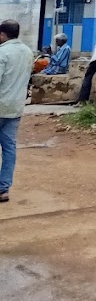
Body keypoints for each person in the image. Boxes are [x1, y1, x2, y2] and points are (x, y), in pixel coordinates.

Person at [0, 19, 33, 203]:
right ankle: (3, 189)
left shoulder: (2, 52)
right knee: (9, 148)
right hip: (15, 107)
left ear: (3, 34)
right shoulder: (27, 52)